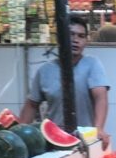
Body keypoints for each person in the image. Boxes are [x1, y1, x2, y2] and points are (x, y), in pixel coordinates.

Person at [20, 15, 110, 146]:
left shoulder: (92, 64)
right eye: (71, 35)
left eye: (81, 36)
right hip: (54, 141)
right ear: (59, 38)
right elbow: (31, 104)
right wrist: (20, 132)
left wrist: (99, 128)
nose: (75, 40)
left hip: (86, 140)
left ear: (86, 41)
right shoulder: (45, 71)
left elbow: (100, 97)